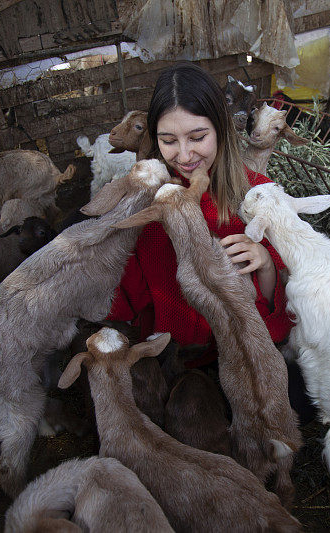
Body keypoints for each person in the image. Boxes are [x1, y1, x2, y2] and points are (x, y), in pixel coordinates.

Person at [106, 61, 295, 369]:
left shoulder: (261, 197)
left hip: (240, 360)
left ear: (220, 129)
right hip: (169, 362)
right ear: (155, 139)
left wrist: (266, 265)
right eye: (169, 140)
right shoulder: (145, 204)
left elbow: (278, 324)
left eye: (197, 137)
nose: (184, 155)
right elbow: (125, 299)